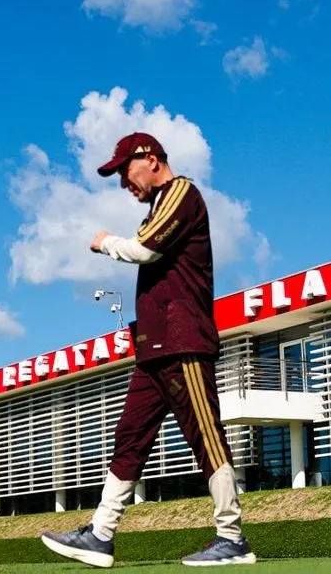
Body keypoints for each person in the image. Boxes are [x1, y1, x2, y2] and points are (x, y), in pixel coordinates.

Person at [40, 132, 255, 568]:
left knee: (205, 437)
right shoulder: (158, 205)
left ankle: (232, 538)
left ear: (151, 159)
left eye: (124, 171)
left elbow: (144, 250)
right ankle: (100, 535)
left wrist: (105, 242)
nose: (123, 182)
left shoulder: (181, 193)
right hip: (154, 348)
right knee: (130, 438)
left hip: (182, 341)